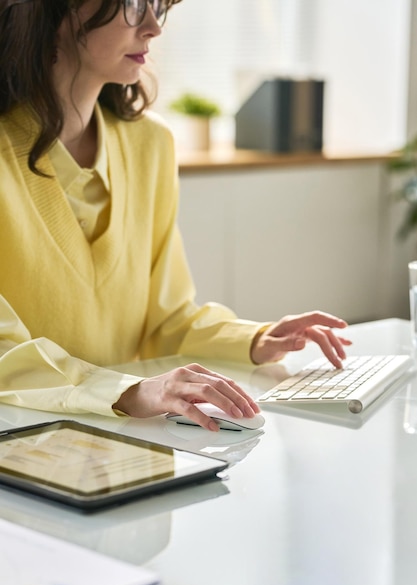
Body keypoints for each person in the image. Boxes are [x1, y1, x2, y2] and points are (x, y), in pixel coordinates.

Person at [0, 0, 351, 432]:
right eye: (132, 6)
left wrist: (255, 340)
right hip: (23, 440)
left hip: (131, 437)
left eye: (156, 8)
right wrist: (129, 391)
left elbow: (166, 320)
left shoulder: (151, 144)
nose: (153, 28)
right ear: (53, 13)